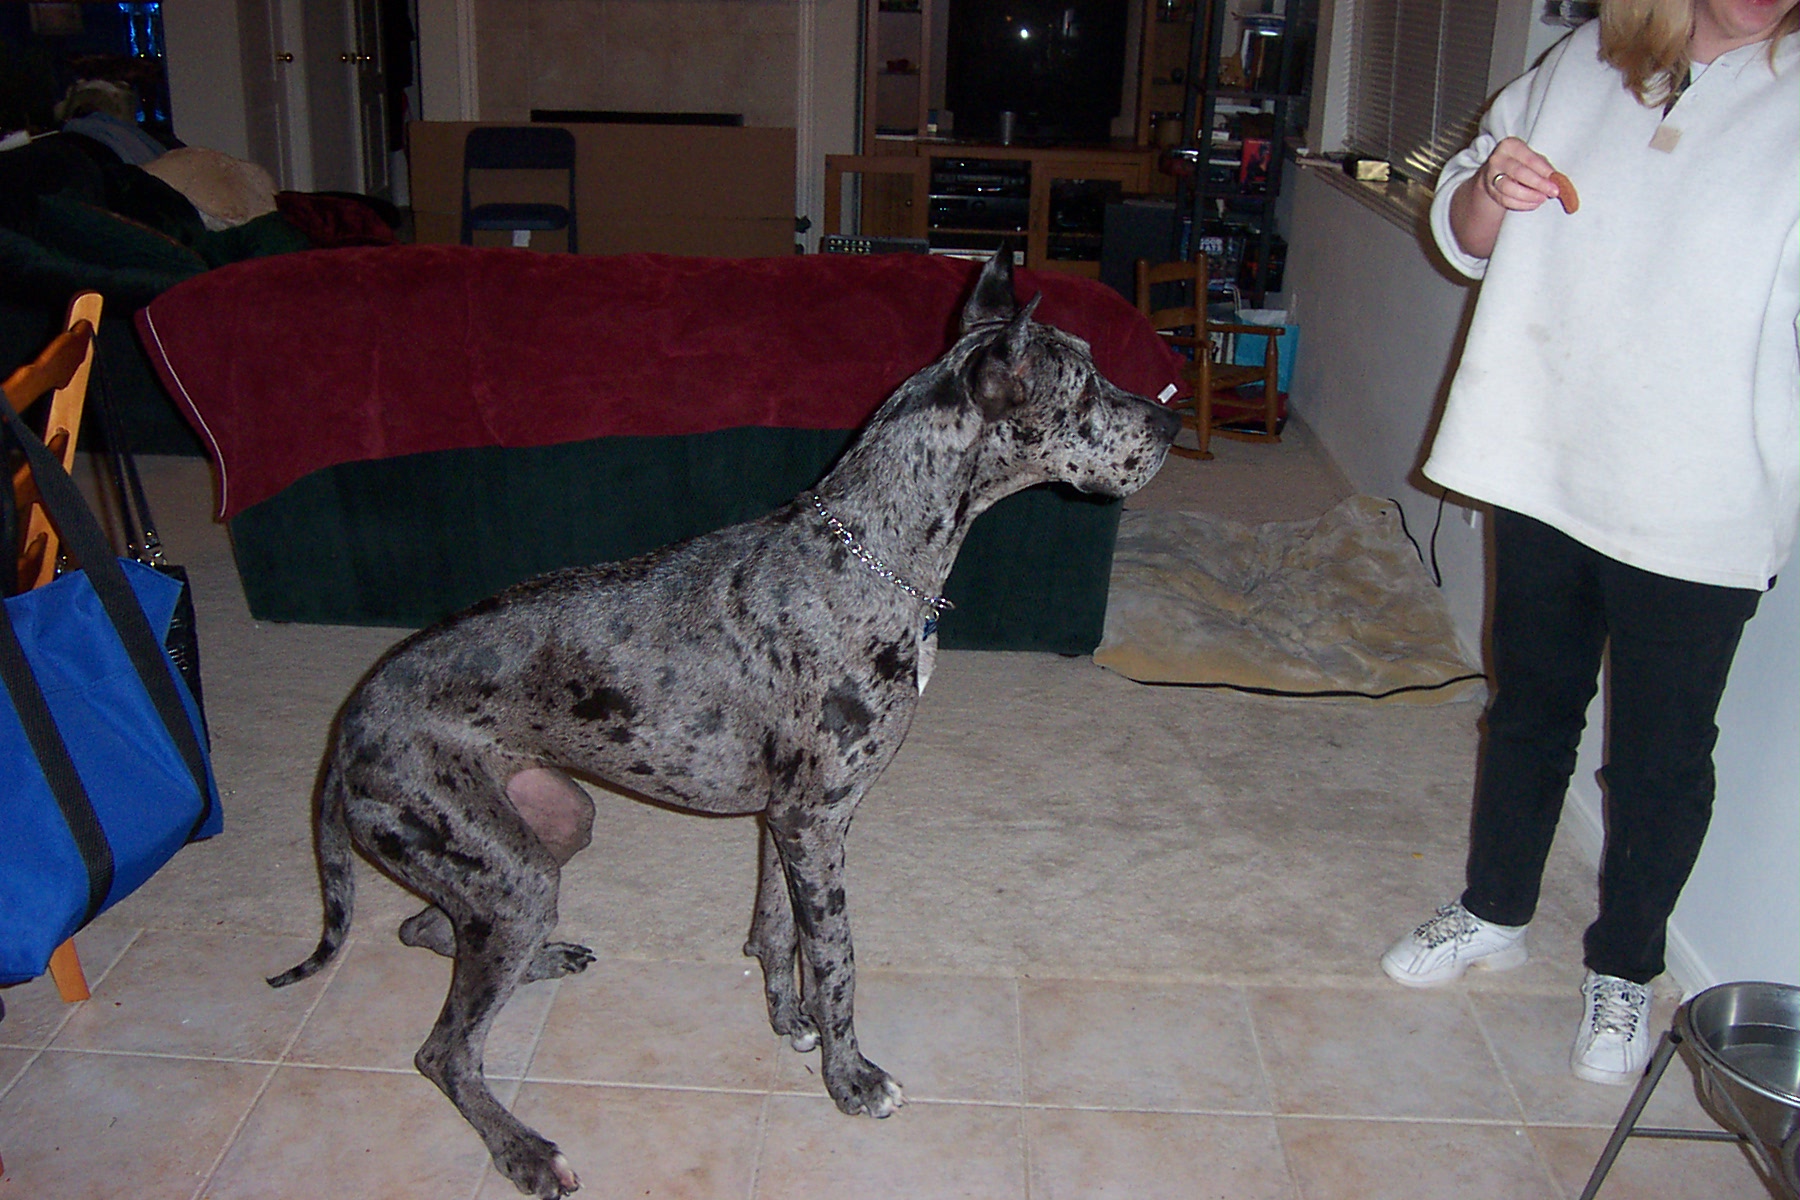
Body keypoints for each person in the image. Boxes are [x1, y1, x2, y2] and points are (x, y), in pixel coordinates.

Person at [1380, 0, 1800, 1086]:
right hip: (1544, 455)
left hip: (1701, 495)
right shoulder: (1584, 62)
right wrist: (1488, 188)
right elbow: (1464, 232)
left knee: (1660, 760)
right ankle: (1494, 910)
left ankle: (1625, 967)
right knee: (1529, 708)